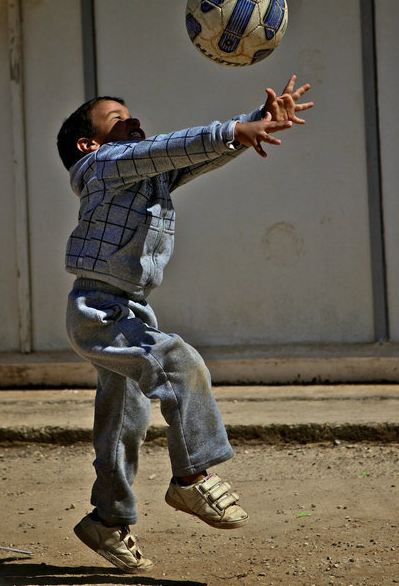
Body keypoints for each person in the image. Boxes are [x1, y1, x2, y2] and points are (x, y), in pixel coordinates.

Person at [56, 75, 313, 573]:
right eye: (119, 119)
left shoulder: (141, 170)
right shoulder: (101, 165)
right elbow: (171, 147)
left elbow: (188, 156)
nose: (134, 123)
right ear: (90, 143)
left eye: (134, 117)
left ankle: (106, 520)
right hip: (99, 311)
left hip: (129, 309)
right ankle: (192, 476)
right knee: (180, 363)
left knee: (122, 421)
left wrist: (252, 127)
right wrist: (235, 127)